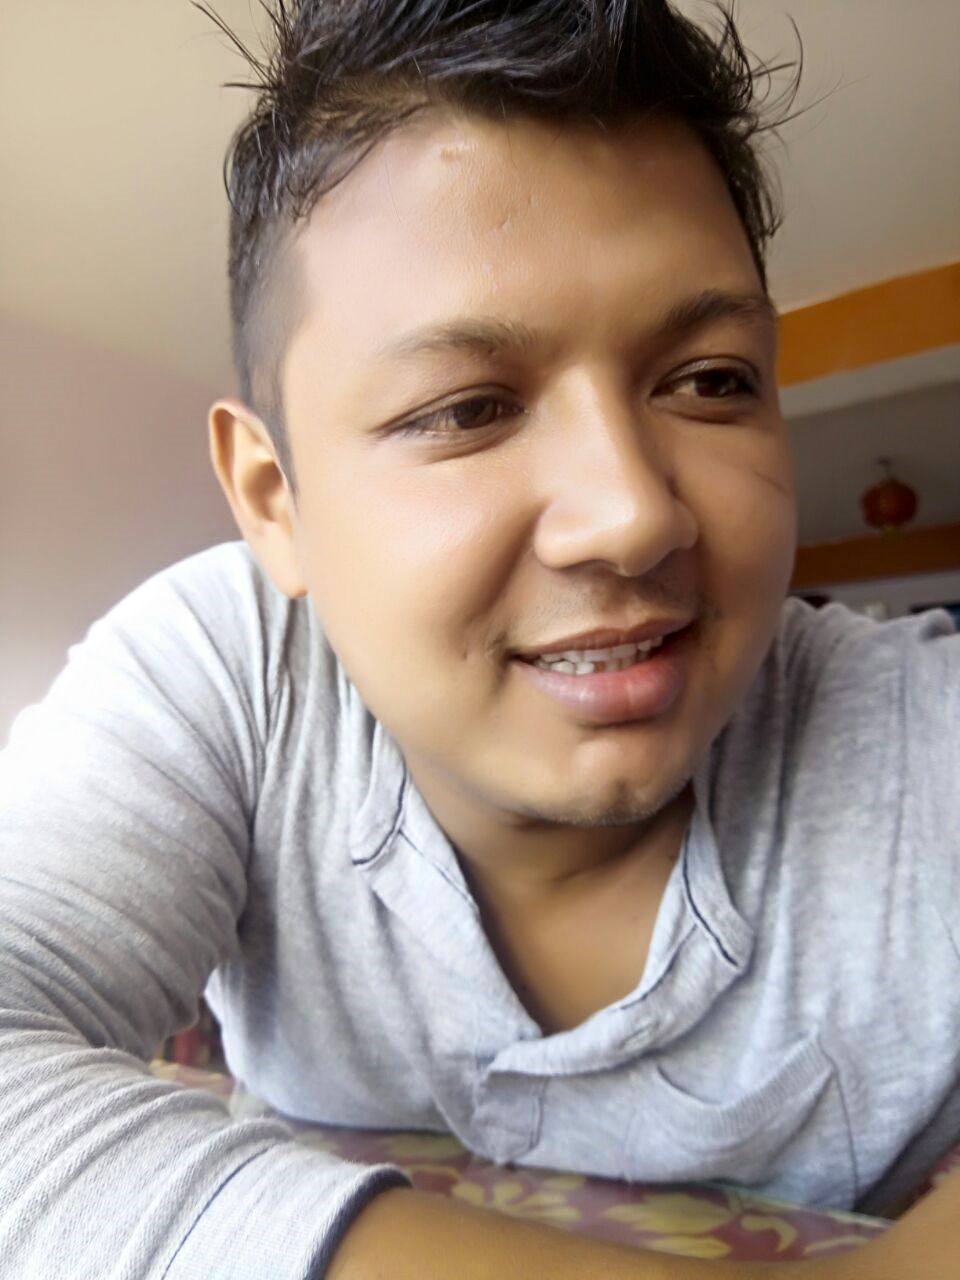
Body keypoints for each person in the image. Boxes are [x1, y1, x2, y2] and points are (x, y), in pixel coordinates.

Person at [0, 1, 957, 1276]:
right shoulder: (232, 677)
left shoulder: (924, 738)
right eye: (467, 408)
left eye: (712, 379)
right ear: (276, 502)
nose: (632, 513)